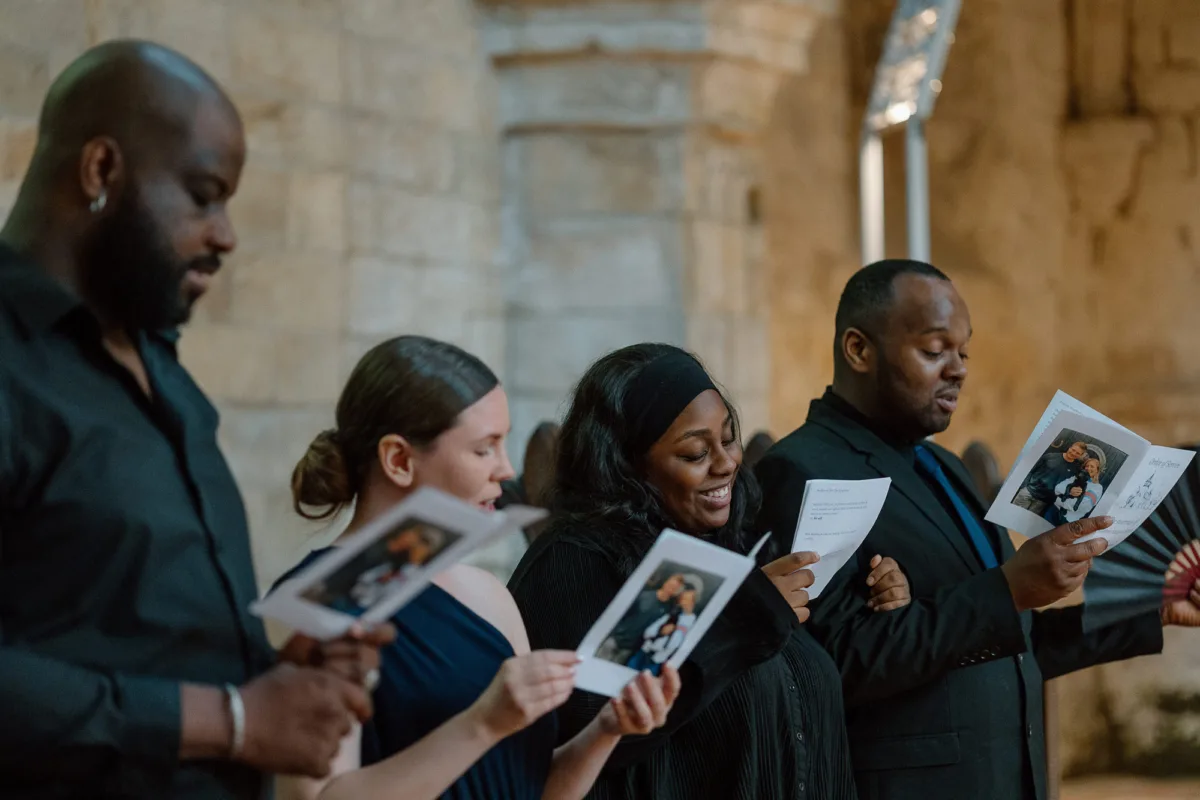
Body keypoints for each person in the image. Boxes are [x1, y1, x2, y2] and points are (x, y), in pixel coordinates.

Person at [0, 40, 390, 799]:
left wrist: (275, 673)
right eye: (204, 194)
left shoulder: (160, 366)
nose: (227, 235)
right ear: (101, 171)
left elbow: (116, 626)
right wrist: (230, 719)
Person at [754, 259, 1200, 800]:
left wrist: (1148, 614)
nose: (959, 369)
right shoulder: (801, 470)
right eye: (935, 349)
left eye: (964, 352)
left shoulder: (945, 468)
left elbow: (1012, 644)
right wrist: (1008, 588)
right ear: (859, 350)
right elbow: (830, 669)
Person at [278, 335, 680, 800]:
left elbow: (526, 788)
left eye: (503, 445)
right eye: (484, 449)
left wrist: (606, 731)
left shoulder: (489, 595)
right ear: (399, 460)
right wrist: (483, 723)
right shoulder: (319, 603)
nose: (507, 471)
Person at [510, 343, 913, 800]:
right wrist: (747, 618)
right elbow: (603, 721)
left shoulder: (733, 549)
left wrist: (867, 604)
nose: (726, 464)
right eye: (695, 453)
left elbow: (793, 698)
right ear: (627, 465)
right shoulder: (582, 561)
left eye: (728, 438)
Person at [1015, 441, 1090, 515]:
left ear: (1081, 455)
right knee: (1012, 515)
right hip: (1027, 493)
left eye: (1077, 453)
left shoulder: (1076, 470)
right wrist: (1023, 487)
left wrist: (1072, 491)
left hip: (1043, 502)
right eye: (1073, 450)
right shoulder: (1050, 456)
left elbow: (1069, 487)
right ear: (1070, 447)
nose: (1073, 453)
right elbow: (1030, 470)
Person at [1047, 457, 1104, 525]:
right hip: (1053, 511)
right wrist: (1069, 491)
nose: (1088, 468)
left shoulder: (1097, 487)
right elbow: (1057, 488)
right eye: (1087, 466)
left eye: (1092, 466)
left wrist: (1058, 501)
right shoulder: (1074, 478)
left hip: (1066, 521)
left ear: (1097, 470)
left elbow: (1082, 506)